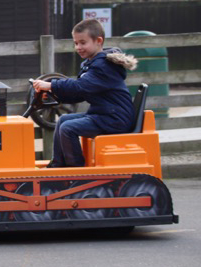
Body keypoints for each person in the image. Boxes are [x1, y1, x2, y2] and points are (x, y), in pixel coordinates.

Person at [33, 18, 137, 167]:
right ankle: (57, 165)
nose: (78, 47)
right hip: (104, 114)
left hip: (115, 118)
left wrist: (51, 85)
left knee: (68, 128)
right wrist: (55, 94)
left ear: (98, 41)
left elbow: (80, 86)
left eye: (83, 42)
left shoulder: (103, 67)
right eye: (76, 43)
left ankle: (75, 170)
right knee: (63, 120)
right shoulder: (92, 64)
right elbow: (79, 94)